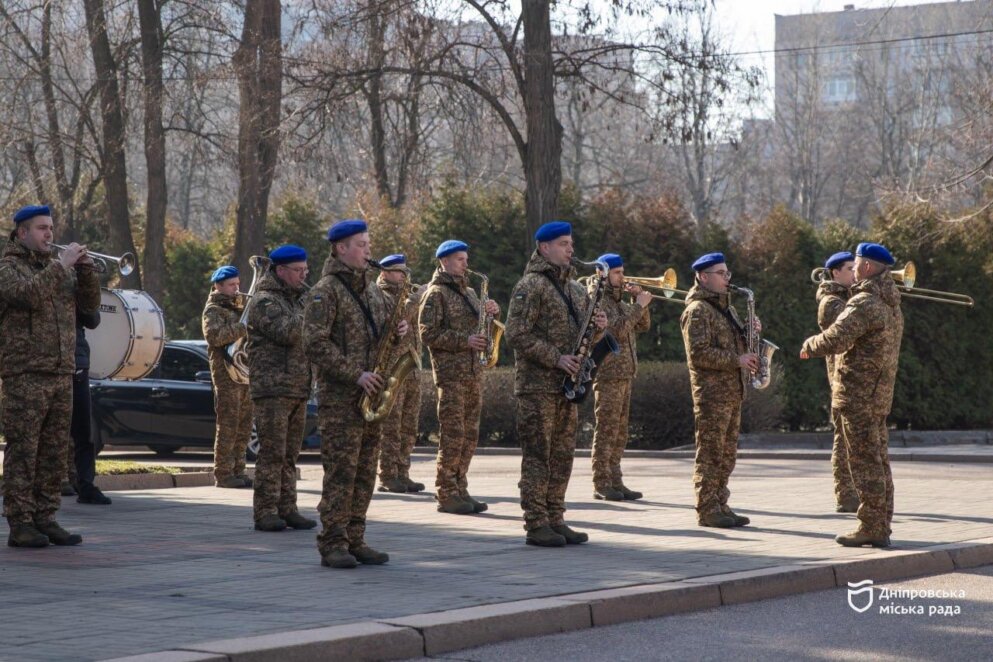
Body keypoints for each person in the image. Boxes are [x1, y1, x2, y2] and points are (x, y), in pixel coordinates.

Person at [304, 220, 409, 569]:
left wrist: (398, 331)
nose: (368, 251)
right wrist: (356, 374)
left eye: (367, 244)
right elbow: (315, 343)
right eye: (361, 245)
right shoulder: (325, 291)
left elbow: (380, 338)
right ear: (341, 249)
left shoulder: (373, 291)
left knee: (365, 472)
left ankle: (355, 538)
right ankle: (333, 542)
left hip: (372, 394)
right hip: (341, 398)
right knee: (341, 473)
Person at [0, 205, 100, 547]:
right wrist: (62, 265)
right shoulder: (8, 266)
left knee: (55, 452)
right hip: (24, 372)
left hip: (61, 370)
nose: (49, 235)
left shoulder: (59, 270)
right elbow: (25, 296)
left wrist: (86, 272)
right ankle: (20, 522)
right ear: (23, 232)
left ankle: (46, 516)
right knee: (24, 450)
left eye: (51, 228)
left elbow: (90, 309)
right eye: (42, 228)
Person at [505, 221, 607, 547]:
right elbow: (516, 334)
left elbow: (584, 337)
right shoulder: (530, 285)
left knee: (562, 455)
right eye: (563, 244)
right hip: (538, 386)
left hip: (568, 386)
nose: (571, 249)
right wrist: (557, 358)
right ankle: (536, 524)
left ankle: (556, 517)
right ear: (544, 247)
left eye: (571, 243)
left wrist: (600, 328)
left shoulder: (577, 290)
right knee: (538, 455)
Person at [801, 242, 903, 548]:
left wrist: (809, 345)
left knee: (864, 462)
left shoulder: (865, 303)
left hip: (857, 394)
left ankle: (871, 525)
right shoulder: (892, 304)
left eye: (856, 265)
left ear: (868, 268)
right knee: (879, 460)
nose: (854, 270)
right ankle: (881, 521)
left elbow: (836, 337)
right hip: (878, 395)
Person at [418, 240, 500, 514]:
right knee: (453, 435)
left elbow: (480, 331)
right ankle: (446, 492)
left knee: (469, 436)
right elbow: (427, 334)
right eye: (459, 259)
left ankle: (460, 489)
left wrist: (489, 316)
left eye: (466, 258)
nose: (466, 263)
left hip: (472, 373)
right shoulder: (436, 293)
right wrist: (465, 340)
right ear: (444, 262)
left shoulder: (470, 291)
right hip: (451, 375)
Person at [679, 252, 758, 529]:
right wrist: (736, 360)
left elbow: (734, 346)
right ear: (703, 277)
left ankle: (721, 504)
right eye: (721, 273)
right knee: (710, 454)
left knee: (727, 455)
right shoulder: (697, 311)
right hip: (712, 395)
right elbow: (698, 354)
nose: (727, 278)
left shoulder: (726, 309)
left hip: (732, 392)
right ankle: (707, 508)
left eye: (728, 273)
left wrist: (749, 332)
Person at [247, 245, 316, 533]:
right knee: (272, 453)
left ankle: (287, 508)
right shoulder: (265, 301)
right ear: (280, 271)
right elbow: (288, 332)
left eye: (305, 270)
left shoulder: (298, 299)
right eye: (298, 271)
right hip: (273, 389)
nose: (304, 275)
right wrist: (316, 310)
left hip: (297, 387)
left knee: (290, 455)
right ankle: (265, 511)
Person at [588, 253, 652, 501]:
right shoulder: (598, 301)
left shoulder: (620, 302)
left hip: (625, 374)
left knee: (620, 431)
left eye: (622, 271)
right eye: (617, 272)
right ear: (602, 274)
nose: (622, 276)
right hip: (607, 374)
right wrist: (639, 306)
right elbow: (616, 331)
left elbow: (641, 325)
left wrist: (638, 301)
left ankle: (616, 480)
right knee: (606, 429)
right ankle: (601, 483)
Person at [375, 254, 426, 495]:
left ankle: (403, 473)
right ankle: (387, 475)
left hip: (410, 370)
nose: (404, 276)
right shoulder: (380, 295)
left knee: (408, 426)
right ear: (384, 273)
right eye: (398, 271)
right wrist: (416, 298)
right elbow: (398, 319)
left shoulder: (406, 295)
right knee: (391, 426)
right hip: (391, 371)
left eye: (405, 271)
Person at [202, 265, 254, 489]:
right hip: (225, 374)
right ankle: (223, 474)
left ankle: (238, 470)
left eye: (238, 284)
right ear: (218, 286)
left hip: (243, 373)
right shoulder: (213, 310)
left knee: (244, 425)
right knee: (228, 425)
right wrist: (242, 327)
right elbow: (215, 337)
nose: (237, 289)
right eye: (232, 285)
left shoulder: (238, 307)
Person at [816, 251, 859, 513]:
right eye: (850, 268)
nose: (855, 273)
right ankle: (845, 493)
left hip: (858, 378)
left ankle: (856, 490)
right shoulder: (830, 302)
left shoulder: (850, 296)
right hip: (841, 377)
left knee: (853, 438)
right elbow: (852, 329)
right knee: (842, 438)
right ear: (835, 273)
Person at [68, 306, 112, 505]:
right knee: (40, 434)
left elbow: (92, 319)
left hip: (77, 363)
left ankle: (86, 485)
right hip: (42, 364)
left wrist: (87, 283)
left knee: (84, 432)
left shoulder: (75, 282)